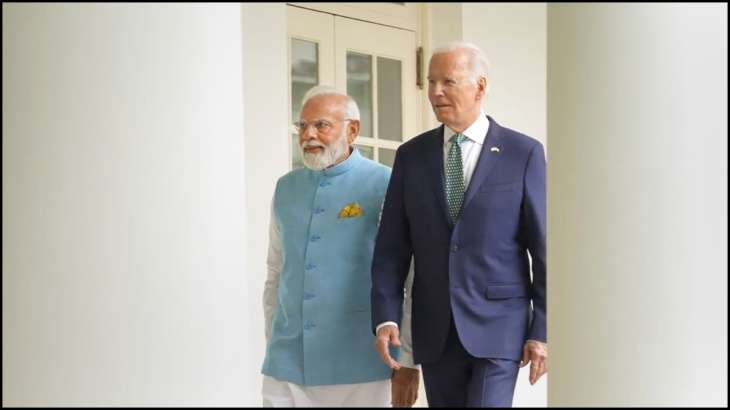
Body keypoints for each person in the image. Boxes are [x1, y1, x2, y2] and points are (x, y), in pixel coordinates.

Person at [371, 41, 547, 407]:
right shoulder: (411, 156)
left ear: (480, 86)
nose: (436, 92)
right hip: (435, 329)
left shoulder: (523, 153)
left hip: (500, 327)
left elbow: (544, 249)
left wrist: (542, 330)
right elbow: (391, 249)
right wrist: (386, 317)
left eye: (448, 82)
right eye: (431, 82)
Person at [261, 86, 420, 407]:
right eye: (302, 126)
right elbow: (276, 271)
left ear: (353, 130)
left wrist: (408, 358)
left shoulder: (386, 183)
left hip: (362, 361)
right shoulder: (285, 188)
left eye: (321, 125)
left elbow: (410, 276)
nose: (308, 135)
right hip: (287, 362)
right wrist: (273, 338)